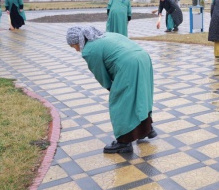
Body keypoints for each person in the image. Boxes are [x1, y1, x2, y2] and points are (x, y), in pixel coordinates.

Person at [66, 26, 156, 154]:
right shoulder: (105, 35)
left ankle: (124, 142)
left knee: (121, 103)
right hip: (143, 58)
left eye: (72, 46)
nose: (75, 50)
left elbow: (101, 74)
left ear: (77, 41)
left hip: (129, 65)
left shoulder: (89, 50)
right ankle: (146, 129)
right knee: (141, 95)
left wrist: (112, 89)